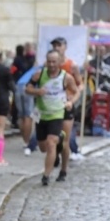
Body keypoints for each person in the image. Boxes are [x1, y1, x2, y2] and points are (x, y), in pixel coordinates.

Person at [25, 50, 78, 185]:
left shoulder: (66, 77)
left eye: (54, 62)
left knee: (53, 143)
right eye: (49, 61)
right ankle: (57, 142)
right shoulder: (39, 74)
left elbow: (76, 91)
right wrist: (37, 91)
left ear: (60, 62)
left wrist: (71, 102)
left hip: (59, 113)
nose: (52, 64)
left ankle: (49, 175)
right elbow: (27, 89)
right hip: (42, 113)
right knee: (43, 147)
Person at [50, 36, 83, 164]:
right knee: (52, 134)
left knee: (65, 135)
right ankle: (55, 153)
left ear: (65, 47)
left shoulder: (72, 65)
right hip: (51, 103)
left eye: (59, 45)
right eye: (54, 45)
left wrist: (73, 95)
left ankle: (63, 158)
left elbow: (80, 84)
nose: (56, 48)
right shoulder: (49, 64)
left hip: (66, 104)